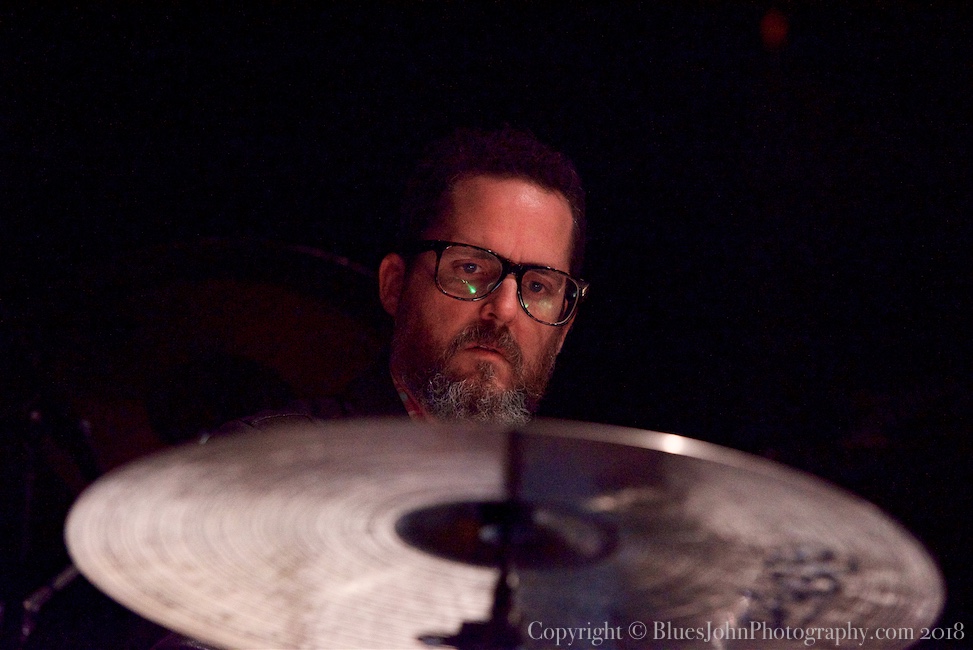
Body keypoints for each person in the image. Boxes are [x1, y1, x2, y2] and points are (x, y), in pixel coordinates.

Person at [343, 126, 588, 425]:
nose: (504, 309)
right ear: (395, 285)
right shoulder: (291, 458)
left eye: (537, 286)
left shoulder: (572, 470)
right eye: (470, 268)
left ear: (563, 331)